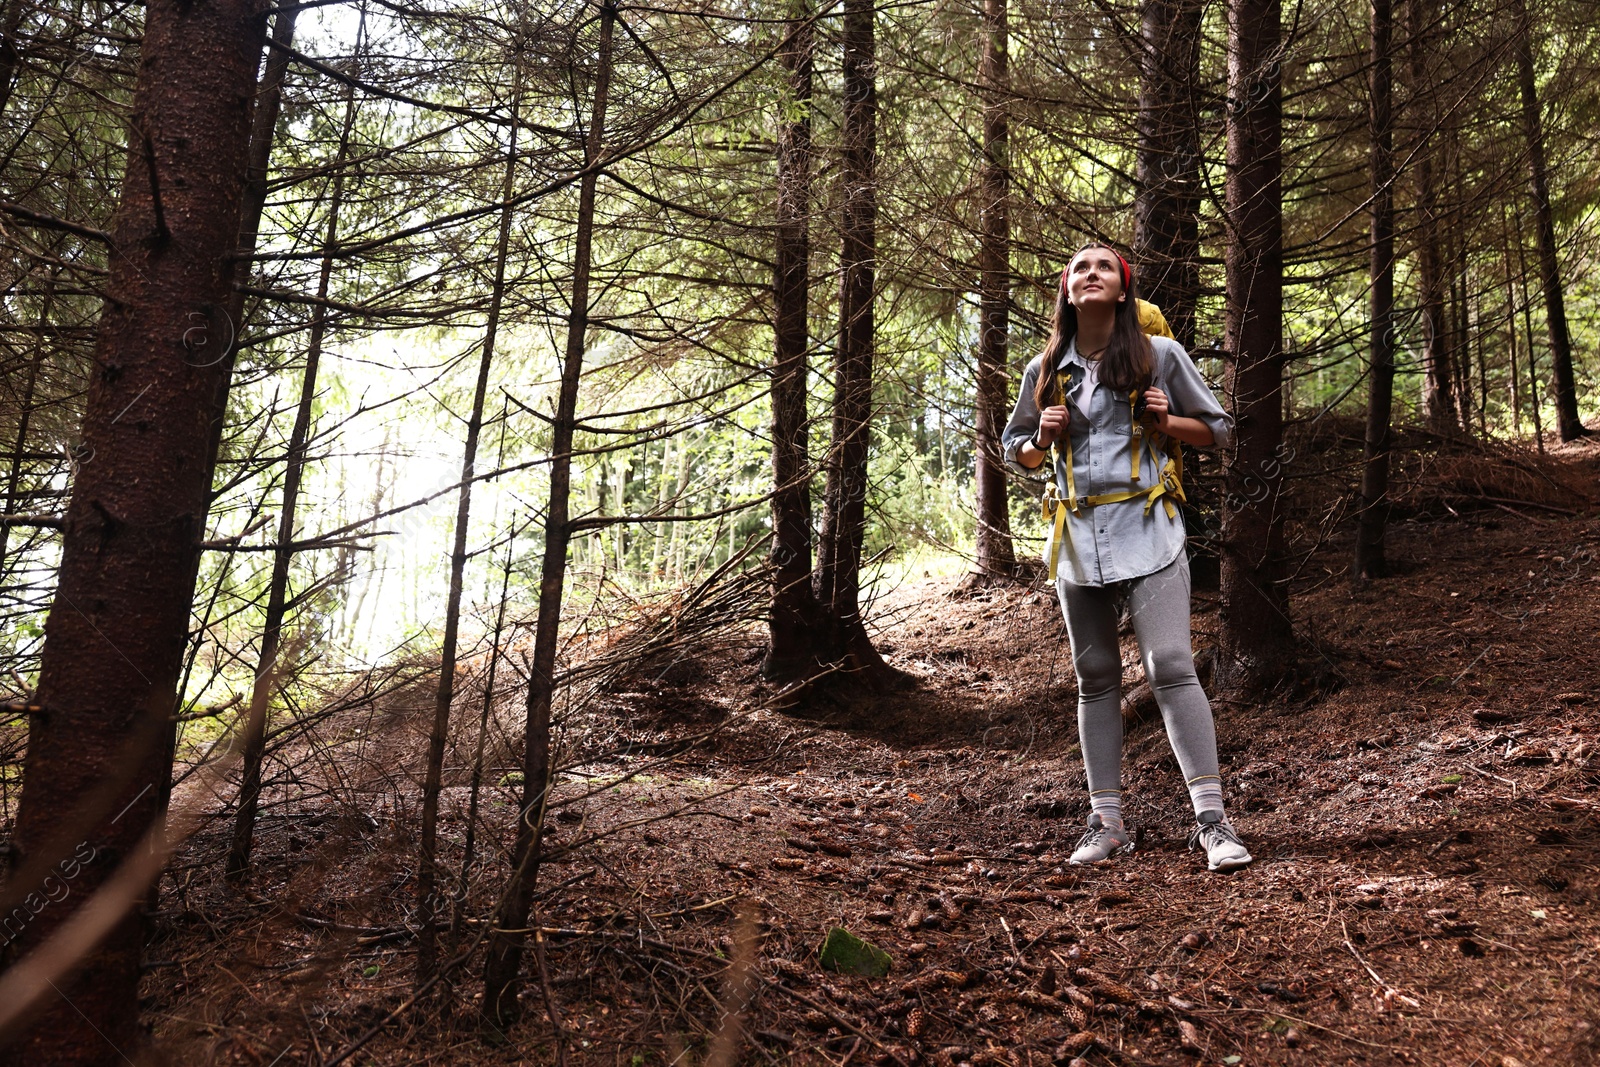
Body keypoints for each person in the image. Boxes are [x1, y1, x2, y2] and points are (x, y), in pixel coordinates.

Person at [1002, 243, 1252, 873]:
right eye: (1079, 269)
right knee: (1096, 679)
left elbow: (1221, 430)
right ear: (1066, 289)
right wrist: (1042, 439)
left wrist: (1172, 424)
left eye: (1103, 268)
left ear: (1122, 289)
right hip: (1077, 537)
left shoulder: (1158, 355)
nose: (1090, 275)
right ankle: (1107, 823)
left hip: (1148, 524)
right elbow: (1016, 452)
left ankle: (1214, 824)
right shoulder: (1047, 367)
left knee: (1170, 664)